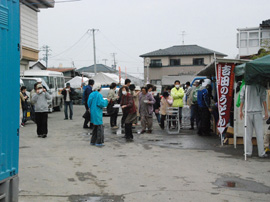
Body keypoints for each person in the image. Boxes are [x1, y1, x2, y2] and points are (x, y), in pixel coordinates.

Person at [240, 84, 269, 158]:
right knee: (259, 133)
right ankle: (261, 153)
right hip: (258, 112)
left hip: (247, 113)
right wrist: (266, 112)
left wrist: (240, 111)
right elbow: (264, 100)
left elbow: (242, 99)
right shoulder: (260, 86)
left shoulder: (245, 87)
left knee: (247, 134)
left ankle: (247, 152)